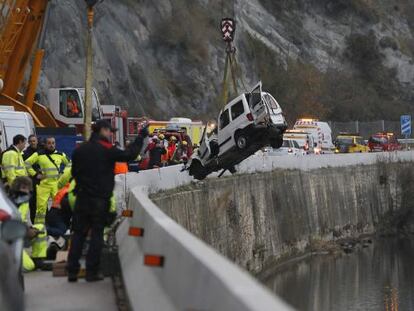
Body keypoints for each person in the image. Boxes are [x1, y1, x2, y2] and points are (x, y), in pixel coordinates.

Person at [67, 120, 147, 282]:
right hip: (99, 200)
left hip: (82, 198)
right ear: (103, 130)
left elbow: (74, 173)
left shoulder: (79, 150)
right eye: (110, 131)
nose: (111, 134)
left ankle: (72, 272)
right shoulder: (107, 150)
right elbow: (129, 155)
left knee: (78, 235)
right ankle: (91, 272)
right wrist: (140, 138)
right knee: (96, 234)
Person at [25, 137, 71, 225]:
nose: (51, 145)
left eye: (53, 143)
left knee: (59, 206)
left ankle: (59, 225)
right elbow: (27, 163)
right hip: (43, 185)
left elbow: (70, 164)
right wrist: (35, 174)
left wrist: (64, 175)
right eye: (49, 143)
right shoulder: (38, 154)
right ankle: (39, 228)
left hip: (56, 185)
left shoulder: (60, 154)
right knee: (40, 209)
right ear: (45, 144)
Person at [9, 177, 48, 272]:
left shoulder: (24, 201)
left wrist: (30, 228)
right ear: (16, 188)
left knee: (40, 228)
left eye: (28, 188)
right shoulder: (10, 202)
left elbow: (24, 220)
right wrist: (26, 231)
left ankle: (38, 260)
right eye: (23, 188)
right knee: (28, 266)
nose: (26, 191)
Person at [23, 135, 41, 223]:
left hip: (43, 180)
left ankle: (45, 222)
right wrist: (35, 174)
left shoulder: (42, 150)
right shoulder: (25, 153)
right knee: (33, 202)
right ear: (29, 143)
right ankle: (34, 222)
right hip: (32, 180)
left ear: (37, 141)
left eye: (34, 141)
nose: (33, 142)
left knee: (43, 202)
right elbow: (25, 166)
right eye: (31, 141)